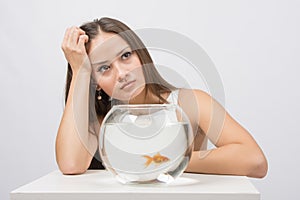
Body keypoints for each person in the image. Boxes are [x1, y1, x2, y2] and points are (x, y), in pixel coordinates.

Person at [56, 17, 268, 178]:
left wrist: (167, 159)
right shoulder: (101, 123)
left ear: (142, 54)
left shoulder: (190, 103)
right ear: (95, 83)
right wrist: (80, 70)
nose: (121, 73)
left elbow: (255, 161)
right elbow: (70, 165)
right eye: (104, 68)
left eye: (126, 56)